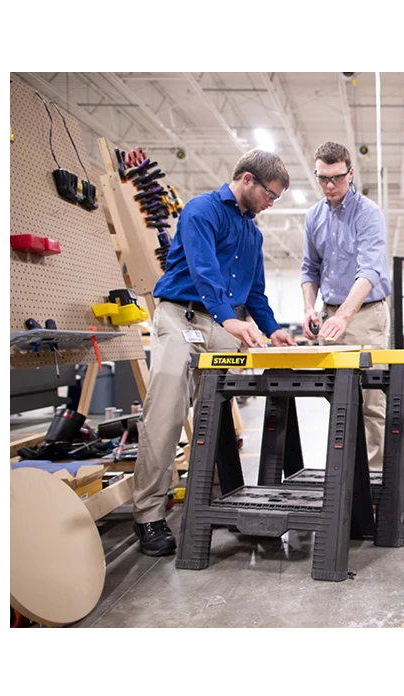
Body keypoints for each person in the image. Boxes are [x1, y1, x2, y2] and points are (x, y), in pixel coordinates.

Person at [132, 149, 297, 557]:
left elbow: (255, 292)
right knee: (167, 408)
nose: (271, 204)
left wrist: (274, 330)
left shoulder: (253, 233)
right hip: (181, 316)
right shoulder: (200, 210)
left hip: (220, 321)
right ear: (246, 179)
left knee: (241, 395)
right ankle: (148, 515)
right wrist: (230, 320)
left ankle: (233, 501)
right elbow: (205, 272)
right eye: (270, 195)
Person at [300, 141, 392, 471]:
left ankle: (375, 482)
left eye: (336, 178)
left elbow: (370, 270)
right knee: (340, 401)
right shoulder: (314, 216)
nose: (329, 186)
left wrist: (343, 315)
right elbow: (309, 268)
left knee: (371, 402)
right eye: (322, 178)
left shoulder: (368, 214)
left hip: (365, 315)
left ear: (350, 173)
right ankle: (347, 478)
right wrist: (310, 307)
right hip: (331, 316)